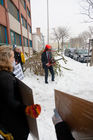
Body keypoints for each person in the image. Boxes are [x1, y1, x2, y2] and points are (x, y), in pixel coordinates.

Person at [0, 46, 41, 140]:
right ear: (6, 59)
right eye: (12, 57)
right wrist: (27, 109)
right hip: (12, 122)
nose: (14, 59)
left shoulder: (4, 74)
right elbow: (10, 102)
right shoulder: (5, 78)